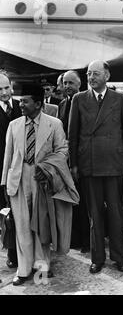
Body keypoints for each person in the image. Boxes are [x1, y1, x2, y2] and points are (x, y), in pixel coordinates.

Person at [1, 90, 78, 286]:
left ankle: (42, 268)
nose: (21, 105)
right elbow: (8, 156)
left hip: (43, 181)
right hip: (18, 180)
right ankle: (24, 269)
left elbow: (62, 150)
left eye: (25, 101)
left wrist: (47, 168)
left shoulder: (54, 124)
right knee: (22, 226)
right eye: (21, 101)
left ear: (37, 103)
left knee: (41, 225)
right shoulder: (14, 125)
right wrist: (4, 183)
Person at [68, 60, 123, 274]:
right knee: (94, 215)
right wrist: (74, 164)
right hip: (90, 164)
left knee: (116, 213)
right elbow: (73, 135)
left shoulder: (121, 99)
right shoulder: (78, 99)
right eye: (88, 73)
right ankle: (97, 258)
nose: (91, 77)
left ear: (107, 75)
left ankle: (119, 257)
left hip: (115, 163)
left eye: (95, 73)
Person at [58, 70, 90, 253]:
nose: (68, 86)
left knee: (84, 202)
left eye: (71, 83)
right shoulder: (62, 104)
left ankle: (88, 240)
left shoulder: (85, 102)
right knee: (71, 201)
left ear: (79, 84)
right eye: (65, 83)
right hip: (66, 160)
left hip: (82, 160)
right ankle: (75, 238)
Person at [0, 71, 21, 270]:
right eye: (0, 89)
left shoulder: (22, 108)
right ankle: (11, 253)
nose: (5, 92)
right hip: (1, 173)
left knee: (21, 214)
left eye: (7, 87)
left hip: (21, 172)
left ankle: (20, 253)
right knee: (6, 215)